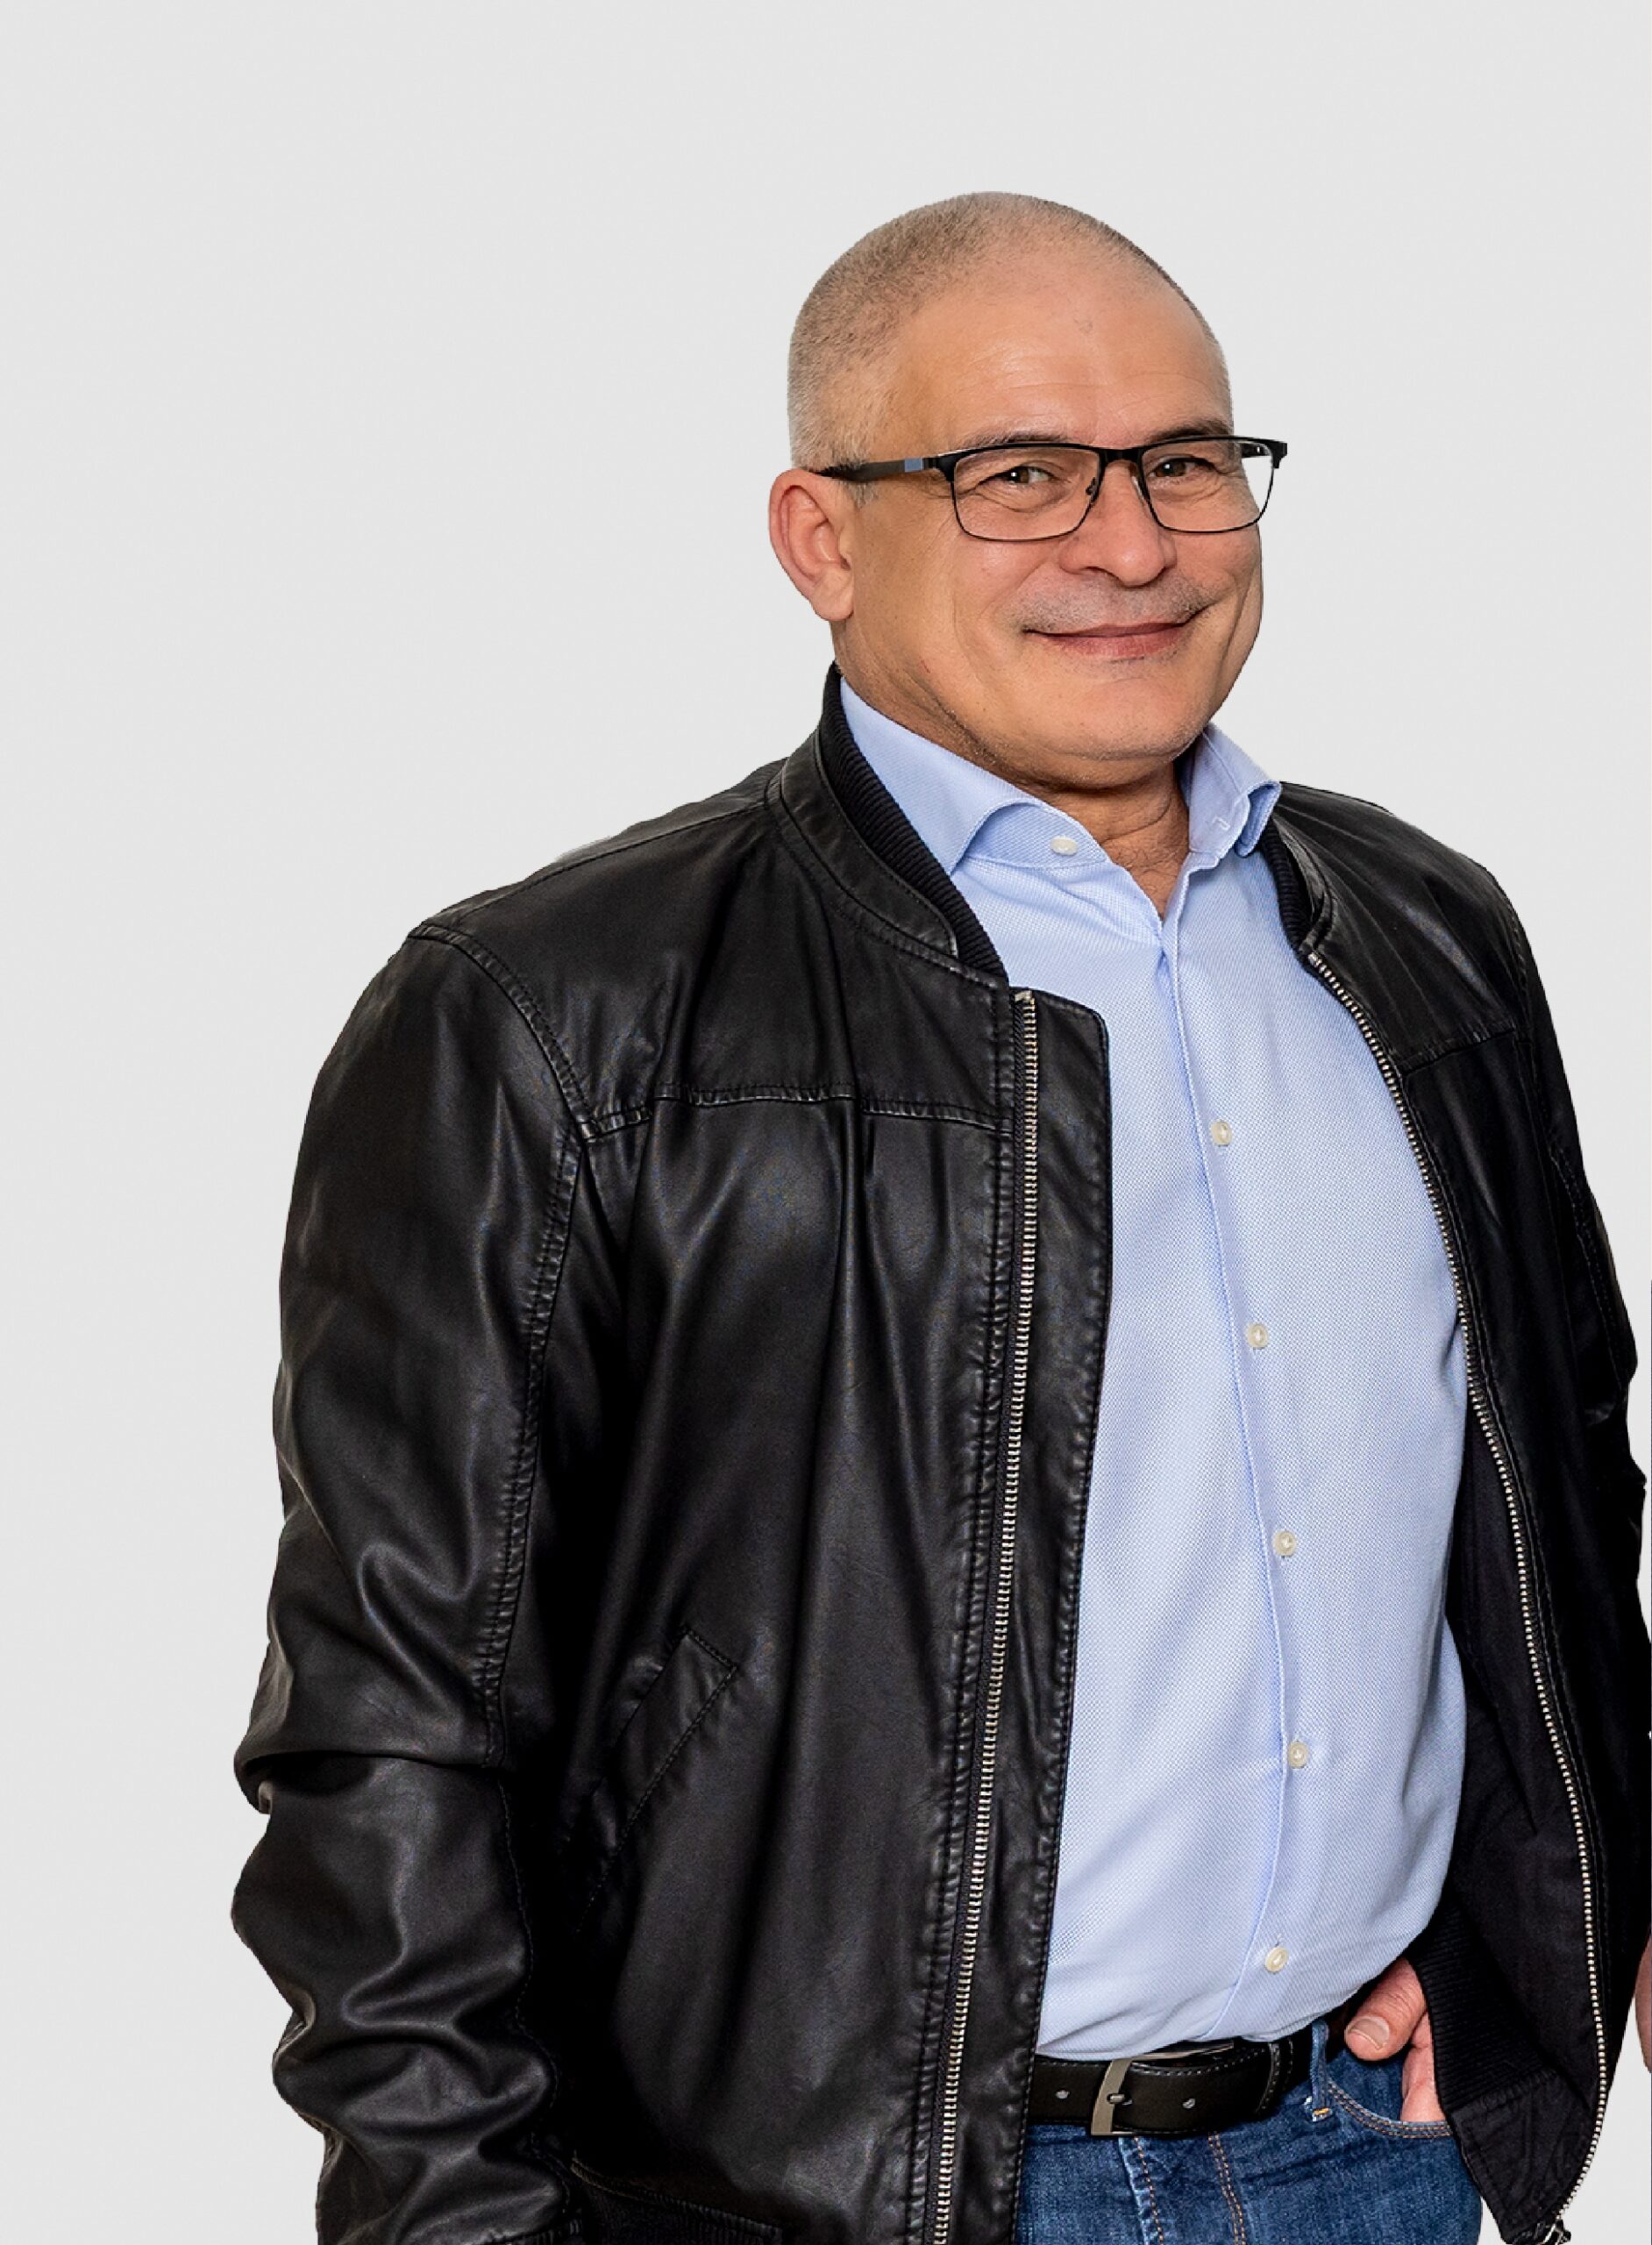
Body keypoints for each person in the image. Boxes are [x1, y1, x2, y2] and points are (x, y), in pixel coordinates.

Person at [232, 192, 1649, 2245]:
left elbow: (1559, 1496)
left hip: (1373, 2154)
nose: (1133, 543)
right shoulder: (552, 1016)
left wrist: (1528, 1924)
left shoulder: (1425, 938)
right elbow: (391, 1727)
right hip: (828, 2199)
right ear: (821, 539)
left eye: (1186, 461)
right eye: (1020, 474)